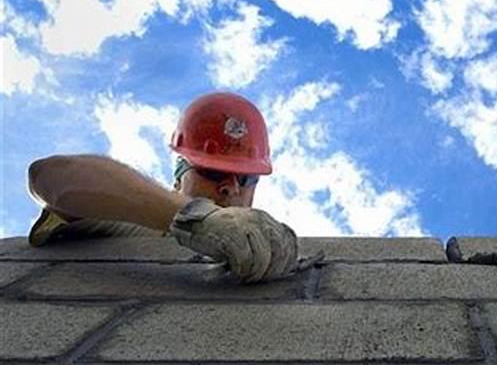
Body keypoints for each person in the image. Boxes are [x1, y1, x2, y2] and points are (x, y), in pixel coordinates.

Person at [26, 92, 298, 283]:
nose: (232, 189)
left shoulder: (265, 254)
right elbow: (48, 176)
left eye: (246, 179)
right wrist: (198, 218)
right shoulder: (132, 221)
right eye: (213, 172)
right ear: (180, 176)